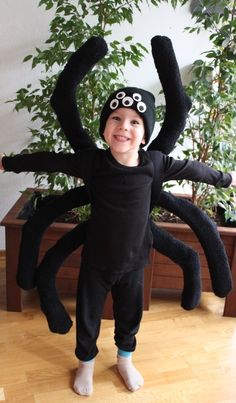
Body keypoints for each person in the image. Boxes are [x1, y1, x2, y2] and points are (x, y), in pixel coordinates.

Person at [1, 84, 235, 396]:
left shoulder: (155, 163)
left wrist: (227, 178)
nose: (123, 126)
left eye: (134, 121)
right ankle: (85, 362)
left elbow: (194, 169)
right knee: (87, 316)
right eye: (115, 118)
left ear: (145, 132)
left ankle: (125, 359)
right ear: (105, 127)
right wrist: (8, 162)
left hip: (135, 262)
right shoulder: (92, 162)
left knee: (130, 316)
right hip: (96, 262)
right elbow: (51, 160)